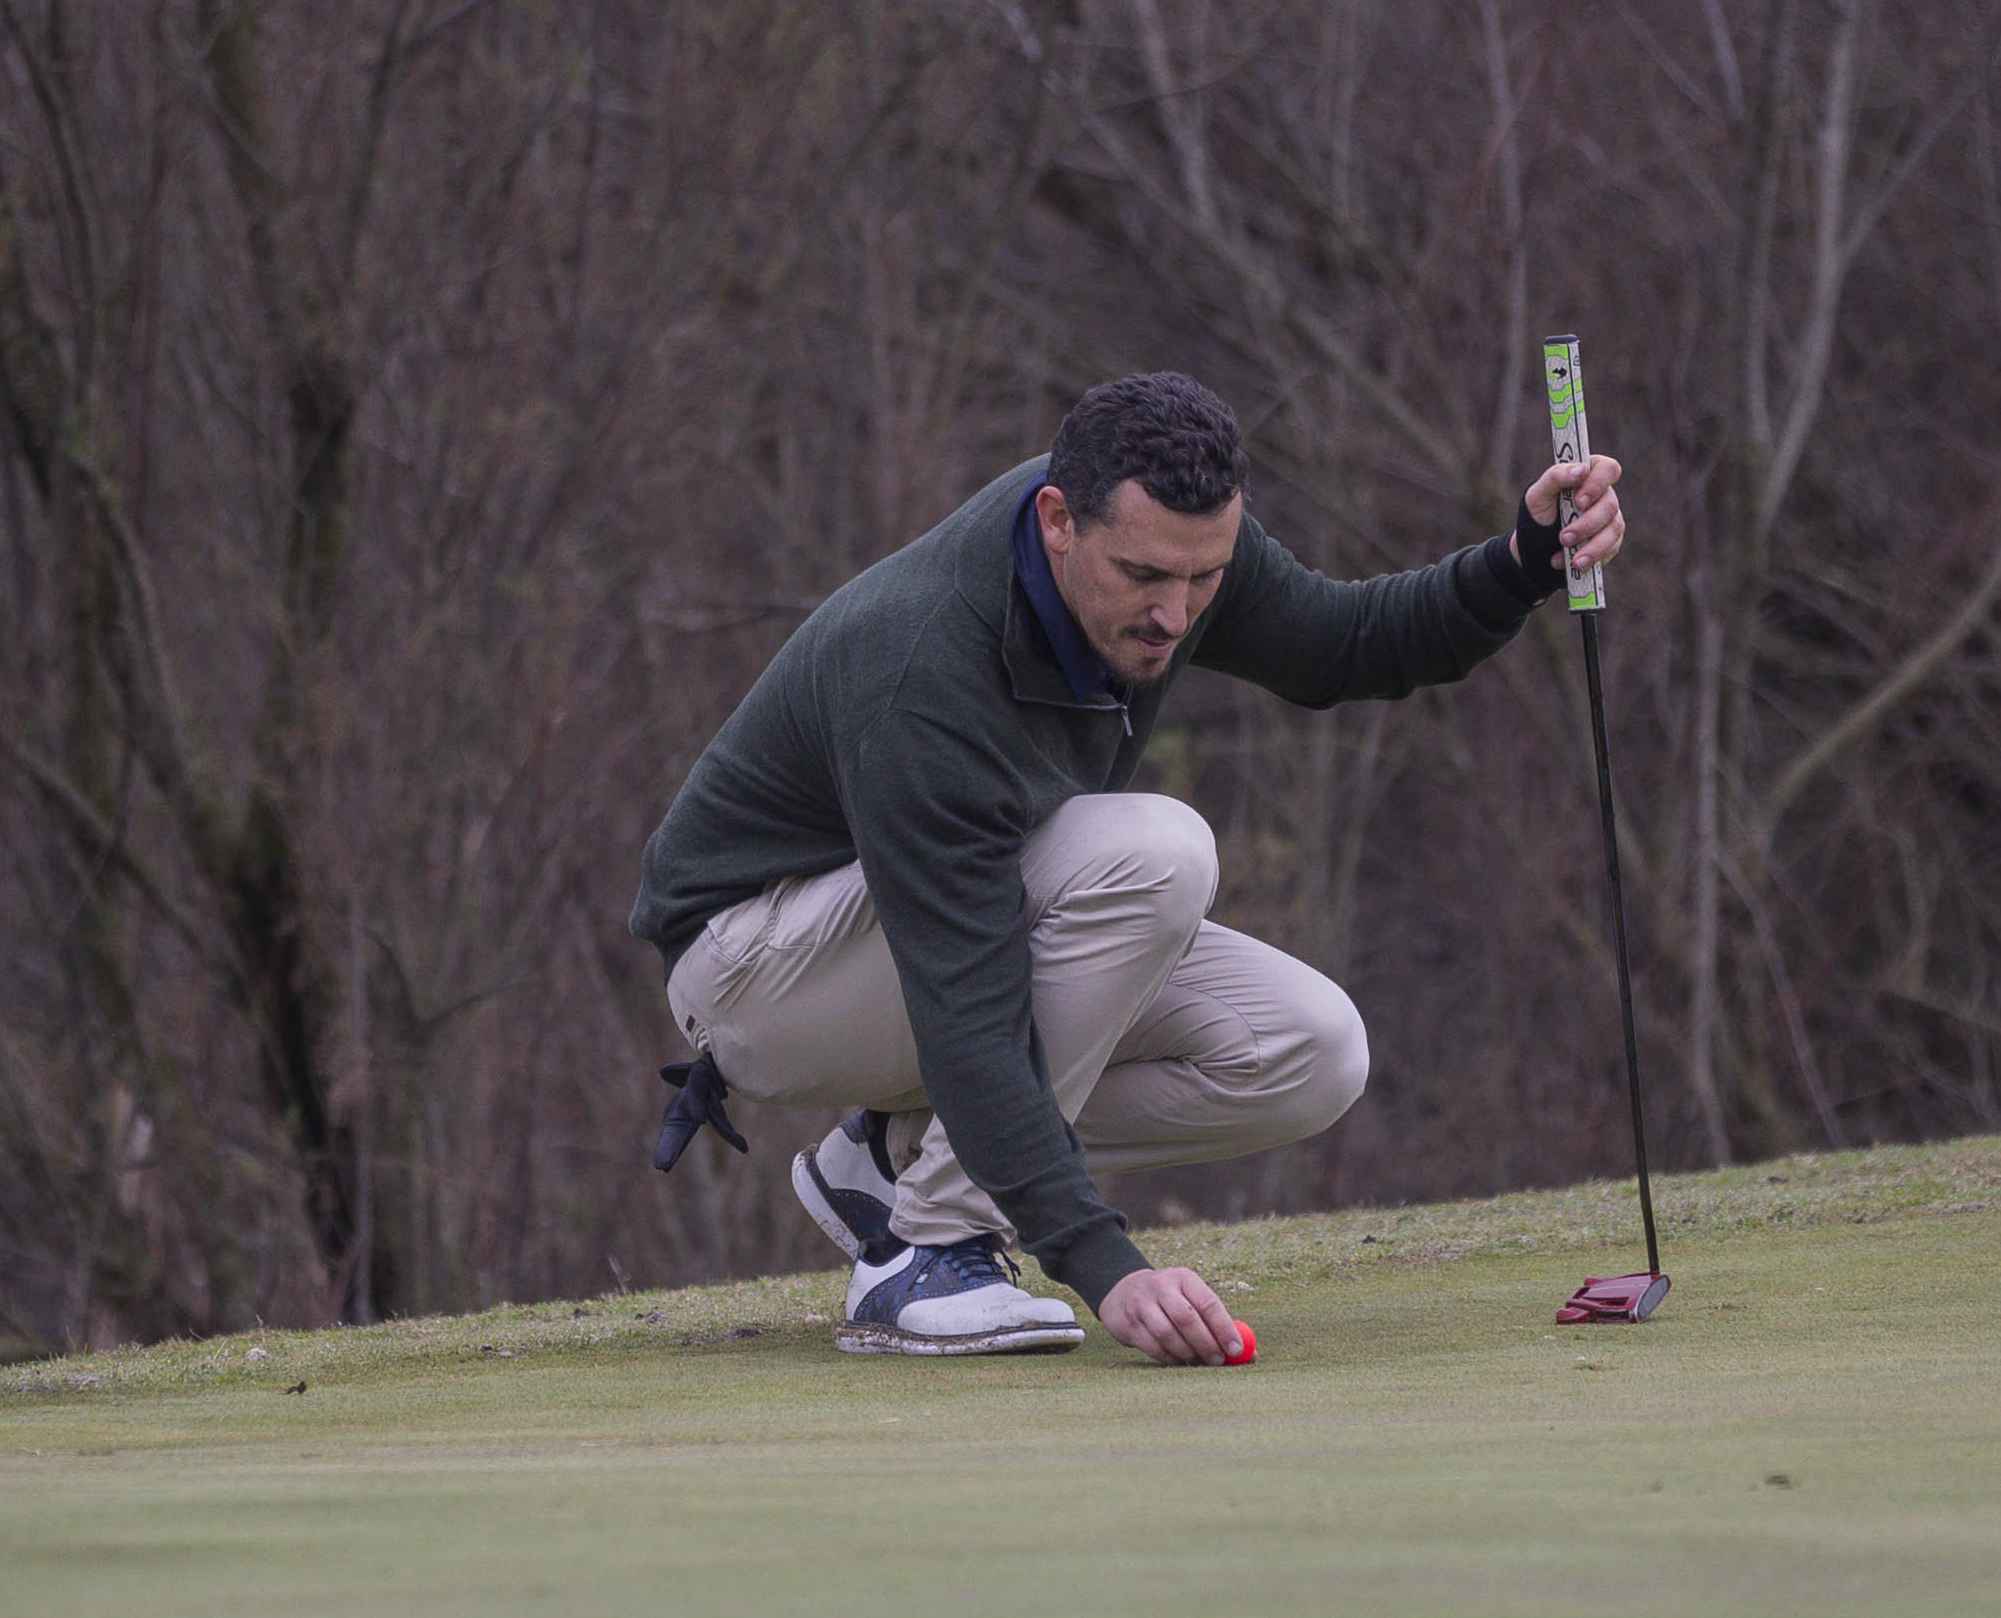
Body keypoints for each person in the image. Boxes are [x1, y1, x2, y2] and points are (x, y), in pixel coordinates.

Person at [633, 371, 1625, 1364]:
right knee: (1155, 852)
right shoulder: (920, 671)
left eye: (1204, 580)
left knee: (1306, 1051)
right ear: (1059, 520)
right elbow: (969, 1009)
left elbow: (1344, 646)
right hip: (755, 972)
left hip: (912, 948)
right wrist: (1104, 1264)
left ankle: (891, 1166)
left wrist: (1526, 558)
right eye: (1146, 578)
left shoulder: (1174, 548)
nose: (1175, 614)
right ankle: (923, 1253)